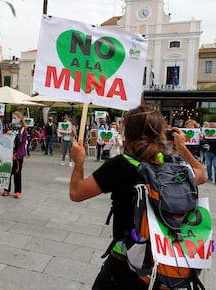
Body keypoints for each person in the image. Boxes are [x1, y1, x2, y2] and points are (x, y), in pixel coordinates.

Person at [69, 105, 206, 289]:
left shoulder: (120, 165)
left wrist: (79, 161)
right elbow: (201, 174)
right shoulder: (171, 165)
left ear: (127, 133)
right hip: (161, 266)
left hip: (124, 265)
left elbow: (76, 193)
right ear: (160, 133)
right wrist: (182, 148)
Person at [2, 111, 28, 199]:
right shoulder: (10, 127)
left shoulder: (23, 129)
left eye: (15, 118)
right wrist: (7, 132)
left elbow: (23, 144)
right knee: (7, 172)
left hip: (18, 154)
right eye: (12, 118)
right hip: (8, 152)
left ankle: (17, 191)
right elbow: (2, 134)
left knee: (17, 173)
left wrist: (17, 154)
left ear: (20, 119)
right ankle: (6, 189)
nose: (13, 120)